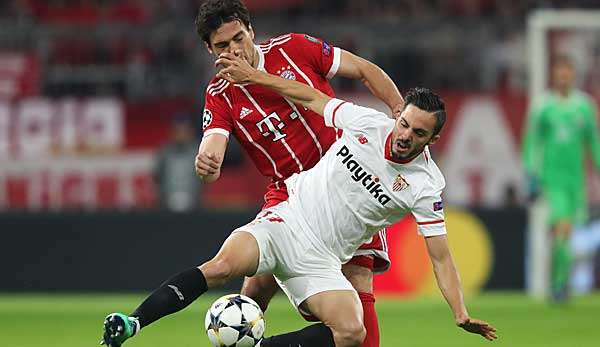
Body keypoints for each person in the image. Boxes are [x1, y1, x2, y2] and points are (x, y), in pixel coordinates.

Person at [100, 54, 497, 347]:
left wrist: (459, 311)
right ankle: (131, 323)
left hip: (322, 258)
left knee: (351, 331)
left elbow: (441, 256)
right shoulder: (367, 123)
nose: (405, 134)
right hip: (284, 222)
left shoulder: (426, 184)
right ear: (398, 118)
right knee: (221, 267)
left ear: (432, 139)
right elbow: (307, 96)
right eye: (404, 123)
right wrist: (256, 77)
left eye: (418, 132)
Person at [195, 1, 403, 345]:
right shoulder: (220, 95)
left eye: (238, 38)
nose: (234, 50)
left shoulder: (295, 49)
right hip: (288, 197)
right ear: (209, 49)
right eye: (222, 46)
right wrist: (208, 160)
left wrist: (397, 110)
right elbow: (212, 141)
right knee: (257, 283)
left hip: (344, 184)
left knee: (357, 278)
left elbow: (364, 69)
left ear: (251, 29)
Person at [522, 55, 600, 302]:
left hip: (576, 182)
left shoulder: (585, 106)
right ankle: (559, 285)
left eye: (567, 71)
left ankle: (559, 279)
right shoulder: (543, 106)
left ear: (573, 74)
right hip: (552, 179)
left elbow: (594, 143)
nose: (563, 76)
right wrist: (532, 173)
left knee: (566, 233)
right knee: (563, 228)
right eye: (559, 71)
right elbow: (532, 142)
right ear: (554, 75)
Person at [154, 116, 202, 212]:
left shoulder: (199, 152)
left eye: (184, 131)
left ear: (190, 133)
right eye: (178, 131)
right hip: (166, 205)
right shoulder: (165, 153)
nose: (181, 135)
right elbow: (157, 177)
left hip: (194, 206)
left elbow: (204, 180)